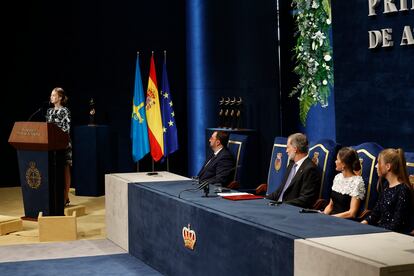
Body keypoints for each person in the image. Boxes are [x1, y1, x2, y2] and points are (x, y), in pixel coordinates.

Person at [361, 148, 413, 233]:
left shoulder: (403, 190)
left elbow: (396, 224)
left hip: (394, 235)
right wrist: (361, 224)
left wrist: (376, 233)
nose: (376, 166)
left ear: (388, 166)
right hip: (382, 230)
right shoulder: (386, 185)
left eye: (379, 163)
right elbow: (376, 213)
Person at [267, 133, 321, 208]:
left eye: (288, 147)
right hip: (277, 206)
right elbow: (280, 191)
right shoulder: (291, 164)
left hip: (290, 210)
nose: (286, 151)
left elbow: (306, 199)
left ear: (295, 149)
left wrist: (281, 205)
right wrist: (263, 200)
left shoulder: (310, 169)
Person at [46, 87, 72, 206]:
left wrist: (57, 136)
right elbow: (47, 128)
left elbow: (66, 128)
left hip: (63, 144)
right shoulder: (49, 111)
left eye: (54, 95)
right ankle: (54, 196)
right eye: (51, 95)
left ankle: (65, 197)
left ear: (60, 97)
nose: (51, 97)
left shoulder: (65, 111)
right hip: (51, 145)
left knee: (65, 169)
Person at [323, 147, 365, 219]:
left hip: (345, 221)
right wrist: (322, 217)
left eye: (337, 159)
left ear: (343, 164)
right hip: (331, 218)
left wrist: (330, 218)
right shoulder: (337, 177)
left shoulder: (357, 182)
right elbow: (330, 205)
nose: (335, 161)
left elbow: (352, 213)